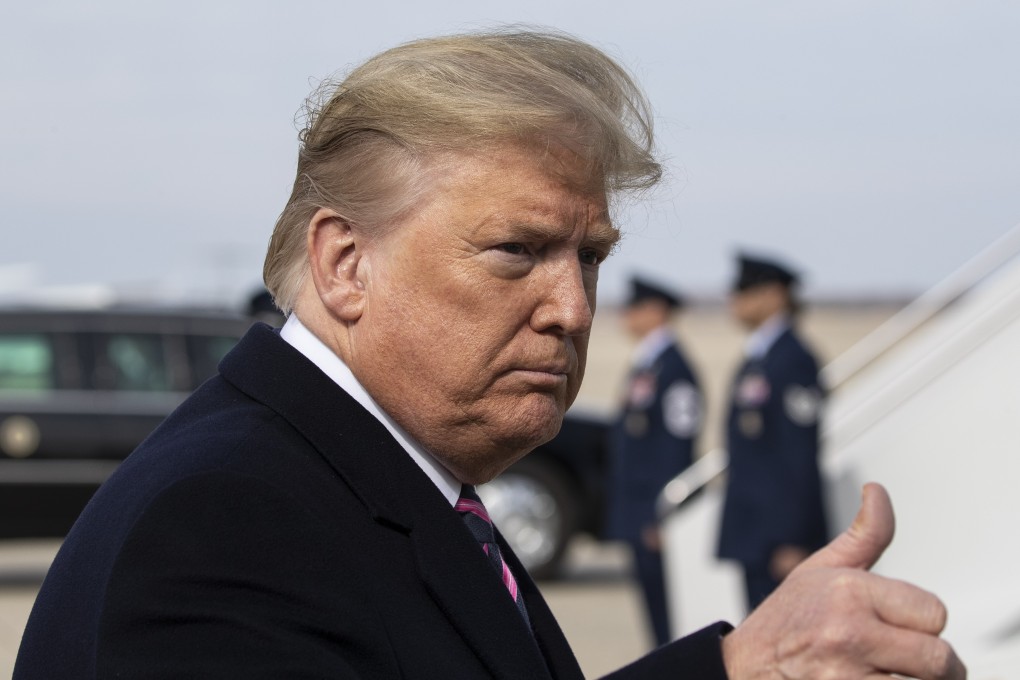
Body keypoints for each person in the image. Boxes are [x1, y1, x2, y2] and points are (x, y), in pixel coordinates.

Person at [16, 29, 964, 680]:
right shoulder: (227, 522)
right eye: (518, 251)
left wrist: (738, 665)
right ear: (346, 264)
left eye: (590, 257)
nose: (573, 307)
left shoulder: (382, 478)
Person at [717, 253, 830, 612]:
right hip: (757, 531)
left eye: (746, 291)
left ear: (775, 295)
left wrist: (792, 539)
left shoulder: (792, 359)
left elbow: (799, 453)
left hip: (779, 540)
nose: (735, 301)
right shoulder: (762, 357)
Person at [607, 276, 701, 647]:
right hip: (638, 508)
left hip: (654, 513)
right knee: (654, 616)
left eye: (634, 308)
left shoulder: (674, 369)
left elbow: (677, 446)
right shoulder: (649, 365)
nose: (626, 317)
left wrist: (662, 514)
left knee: (669, 617)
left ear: (656, 312)